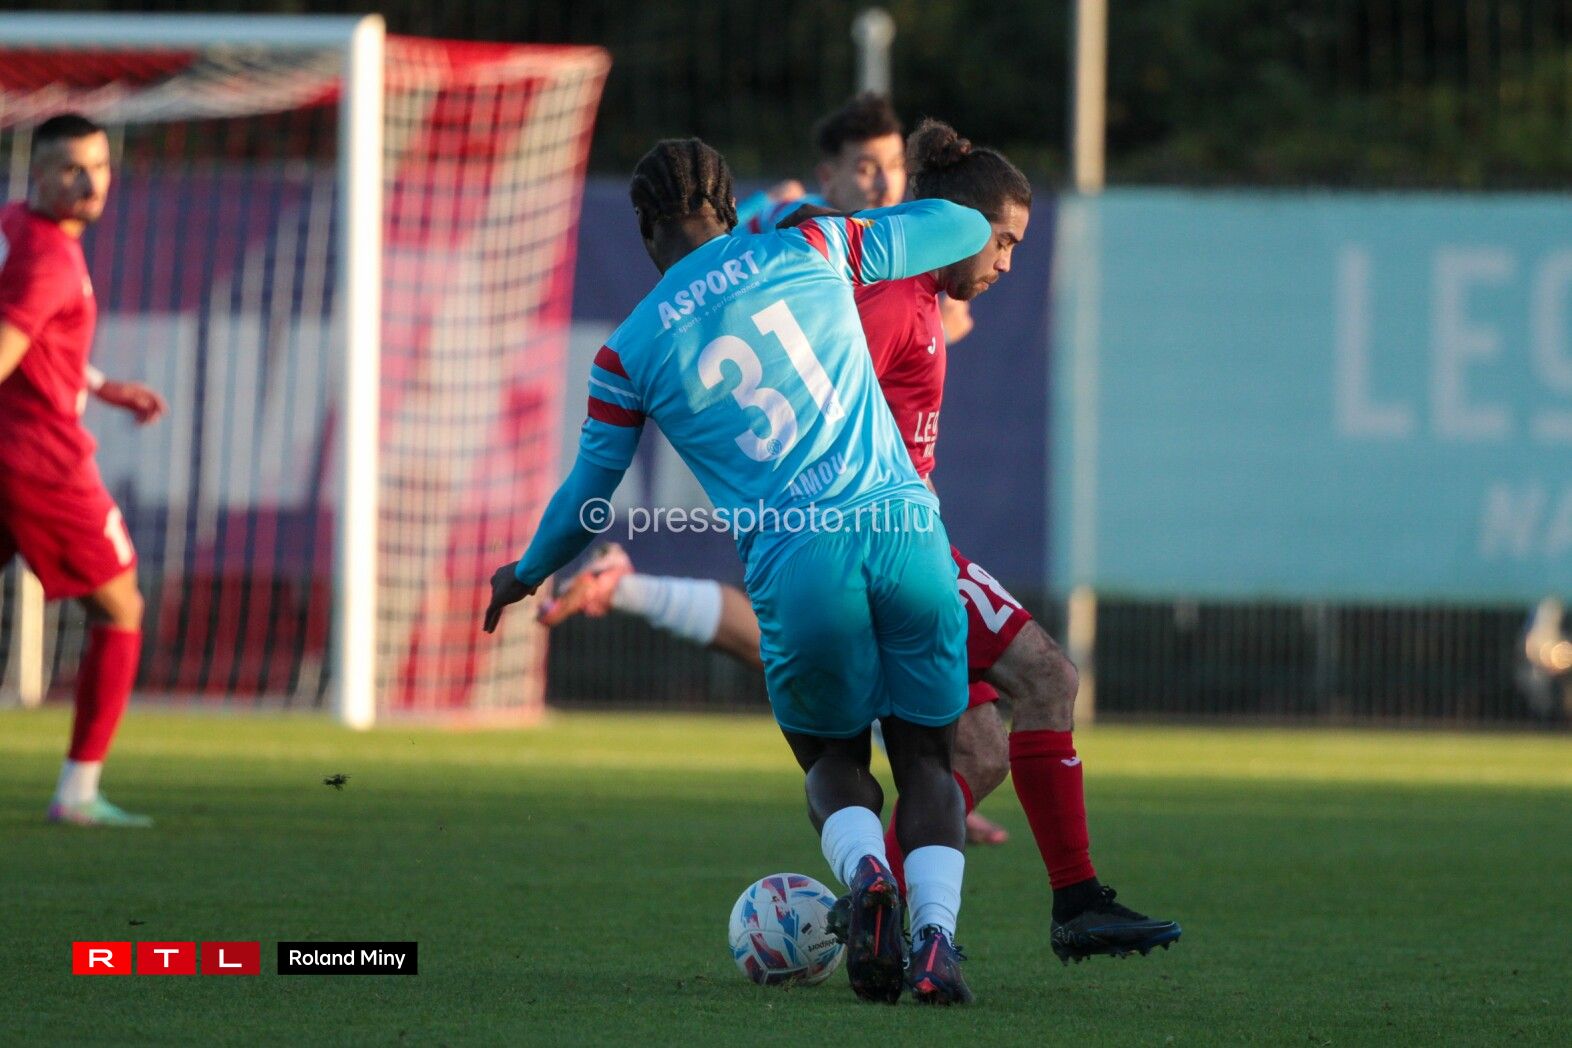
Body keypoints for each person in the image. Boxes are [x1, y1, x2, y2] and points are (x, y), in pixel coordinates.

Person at [543, 121, 1181, 965]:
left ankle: (886, 904)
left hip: (852, 542)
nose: (1005, 264)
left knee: (975, 746)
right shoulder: (882, 296)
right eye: (1003, 242)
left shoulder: (910, 295)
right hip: (885, 536)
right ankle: (1056, 901)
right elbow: (818, 388)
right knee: (1042, 681)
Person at [484, 139, 990, 1004]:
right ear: (727, 207)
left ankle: (868, 877)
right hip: (906, 532)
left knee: (832, 761)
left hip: (800, 563)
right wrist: (841, 220)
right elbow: (966, 224)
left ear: (646, 228)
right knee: (928, 762)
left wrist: (526, 571)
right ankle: (936, 945)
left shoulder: (629, 351)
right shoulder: (812, 244)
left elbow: (585, 498)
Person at [0, 112, 168, 828]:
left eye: (99, 166)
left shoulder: (15, 225)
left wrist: (98, 385)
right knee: (120, 607)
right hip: (40, 461)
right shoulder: (52, 260)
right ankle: (77, 793)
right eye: (72, 168)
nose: (90, 182)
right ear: (37, 174)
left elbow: (39, 346)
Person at [737, 92, 975, 346]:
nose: (886, 184)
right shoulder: (809, 235)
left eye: (896, 165)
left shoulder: (788, 210)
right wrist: (936, 335)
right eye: (867, 169)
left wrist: (763, 202)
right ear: (828, 178)